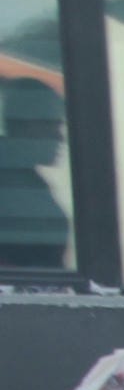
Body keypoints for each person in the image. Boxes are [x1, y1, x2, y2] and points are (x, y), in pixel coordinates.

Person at [0, 76, 70, 271]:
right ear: (25, 125)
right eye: (53, 125)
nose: (60, 137)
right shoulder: (9, 183)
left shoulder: (27, 179)